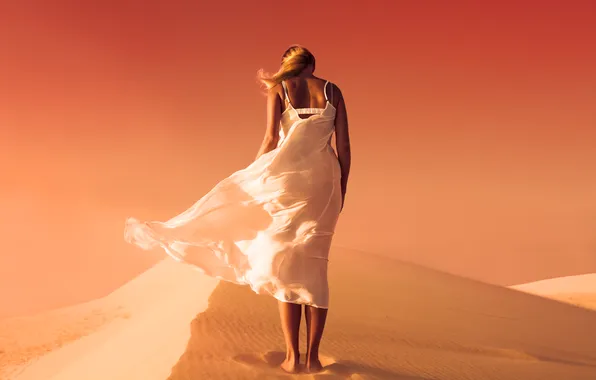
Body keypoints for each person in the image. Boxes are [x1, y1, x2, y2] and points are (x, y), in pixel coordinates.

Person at [124, 44, 351, 374]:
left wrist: (252, 177)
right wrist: (342, 187)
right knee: (316, 264)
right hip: (324, 183)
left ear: (287, 66)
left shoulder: (279, 89)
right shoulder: (333, 91)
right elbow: (342, 146)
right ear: (312, 64)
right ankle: (314, 357)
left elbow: (271, 138)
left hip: (285, 181)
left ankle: (292, 357)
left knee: (284, 262)